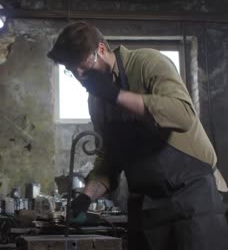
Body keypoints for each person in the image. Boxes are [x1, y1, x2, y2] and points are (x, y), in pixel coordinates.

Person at [47, 21, 228, 250]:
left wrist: (118, 96)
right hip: (146, 207)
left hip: (192, 199)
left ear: (101, 50)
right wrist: (86, 197)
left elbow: (183, 116)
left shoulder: (147, 63)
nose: (79, 75)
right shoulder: (96, 101)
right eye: (71, 70)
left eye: (82, 65)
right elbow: (110, 157)